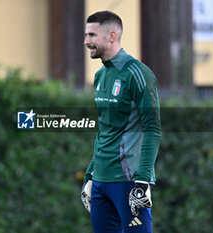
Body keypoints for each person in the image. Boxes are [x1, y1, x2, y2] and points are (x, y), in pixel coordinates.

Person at [80, 11, 162, 233]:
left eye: (92, 35)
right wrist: (90, 175)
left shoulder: (138, 74)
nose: (86, 41)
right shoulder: (100, 76)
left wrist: (143, 181)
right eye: (86, 35)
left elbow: (152, 129)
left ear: (111, 35)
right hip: (100, 183)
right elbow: (105, 130)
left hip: (128, 182)